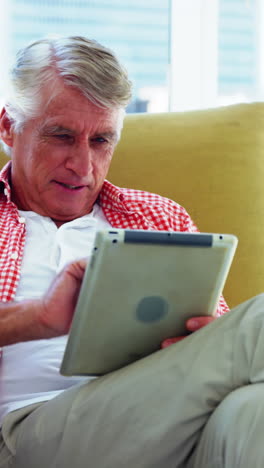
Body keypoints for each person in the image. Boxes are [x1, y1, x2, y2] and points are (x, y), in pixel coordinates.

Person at [0, 36, 264, 468]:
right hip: (31, 435)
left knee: (254, 411)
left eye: (102, 140)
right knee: (257, 326)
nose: (83, 166)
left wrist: (198, 339)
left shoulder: (159, 217)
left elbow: (222, 343)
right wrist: (39, 318)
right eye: (62, 136)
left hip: (174, 427)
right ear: (9, 127)